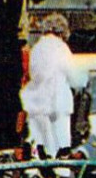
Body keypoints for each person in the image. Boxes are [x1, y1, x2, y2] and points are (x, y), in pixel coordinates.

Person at [20, 13, 74, 159]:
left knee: (39, 146)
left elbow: (33, 73)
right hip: (59, 104)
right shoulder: (62, 48)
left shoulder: (37, 48)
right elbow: (72, 74)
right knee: (60, 148)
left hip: (37, 103)